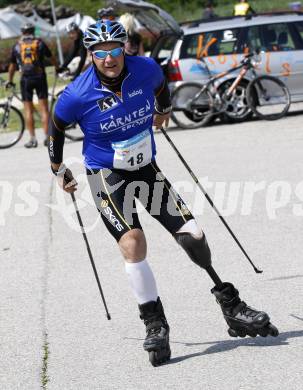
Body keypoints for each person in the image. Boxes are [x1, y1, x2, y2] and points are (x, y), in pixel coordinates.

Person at [48, 20, 278, 366]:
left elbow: (161, 87)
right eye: (100, 53)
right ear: (90, 55)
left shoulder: (147, 69)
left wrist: (165, 109)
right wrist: (58, 169)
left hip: (145, 167)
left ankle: (231, 307)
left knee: (193, 236)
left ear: (124, 47)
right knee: (133, 242)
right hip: (105, 175)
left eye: (114, 50)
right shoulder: (77, 94)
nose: (109, 58)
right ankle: (154, 322)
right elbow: (56, 126)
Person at [6, 22, 57, 148]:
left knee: (28, 110)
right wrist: (58, 68)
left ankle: (33, 139)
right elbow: (52, 58)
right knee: (44, 109)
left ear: (22, 32)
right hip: (40, 77)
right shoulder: (39, 43)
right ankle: (47, 138)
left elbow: (12, 65)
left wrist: (10, 80)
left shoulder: (18, 45)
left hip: (25, 79)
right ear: (33, 31)